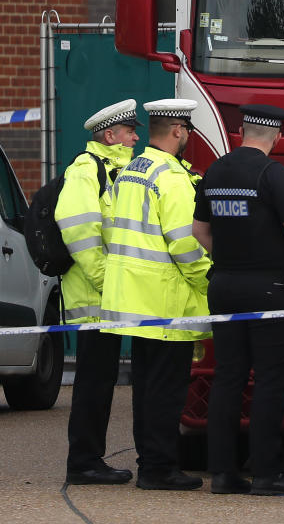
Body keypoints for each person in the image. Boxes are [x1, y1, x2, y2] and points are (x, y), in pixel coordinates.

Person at [192, 104, 284, 496]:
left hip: (223, 284)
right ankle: (266, 473)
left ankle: (223, 473)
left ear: (242, 131)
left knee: (228, 378)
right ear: (276, 136)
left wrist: (228, 259)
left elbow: (199, 230)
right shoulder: (273, 174)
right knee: (270, 381)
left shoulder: (215, 171)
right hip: (270, 289)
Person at [100, 99, 212, 491]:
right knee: (165, 390)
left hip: (133, 298)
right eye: (189, 132)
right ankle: (159, 469)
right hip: (165, 301)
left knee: (145, 388)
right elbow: (186, 246)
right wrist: (208, 283)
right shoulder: (172, 177)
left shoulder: (132, 169)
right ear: (179, 130)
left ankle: (150, 461)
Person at [59, 99, 141, 485]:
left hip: (109, 297)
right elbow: (78, 229)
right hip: (95, 299)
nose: (135, 138)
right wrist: (108, 283)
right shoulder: (86, 169)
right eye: (129, 132)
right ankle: (84, 463)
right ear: (110, 135)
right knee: (93, 382)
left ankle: (90, 459)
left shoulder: (116, 171)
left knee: (102, 379)